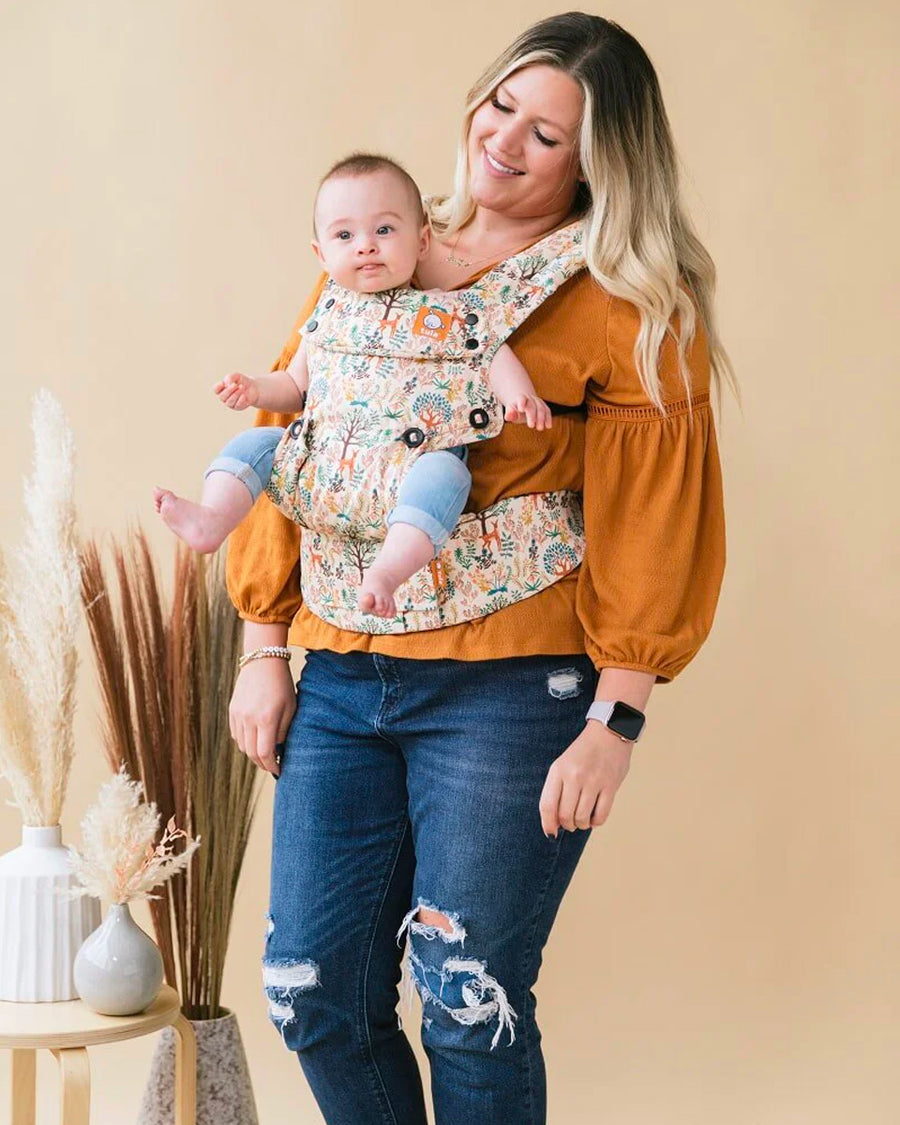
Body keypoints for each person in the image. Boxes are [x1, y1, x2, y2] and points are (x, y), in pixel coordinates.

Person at [228, 12, 732, 1125]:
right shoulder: (380, 240)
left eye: (548, 135)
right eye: (502, 105)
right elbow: (306, 444)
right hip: (344, 679)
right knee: (312, 992)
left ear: (597, 164)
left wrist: (618, 719)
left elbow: (657, 522)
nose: (505, 140)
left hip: (511, 693)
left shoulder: (628, 305)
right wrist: (264, 647)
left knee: (471, 999)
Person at [153, 154, 556, 618]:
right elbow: (295, 385)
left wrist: (516, 394)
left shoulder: (444, 310)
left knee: (445, 475)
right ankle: (213, 518)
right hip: (325, 463)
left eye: (384, 230)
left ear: (422, 240)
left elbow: (488, 351)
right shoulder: (327, 314)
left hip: (408, 466)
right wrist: (257, 390)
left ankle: (387, 571)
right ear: (321, 255)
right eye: (345, 236)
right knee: (256, 443)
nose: (366, 246)